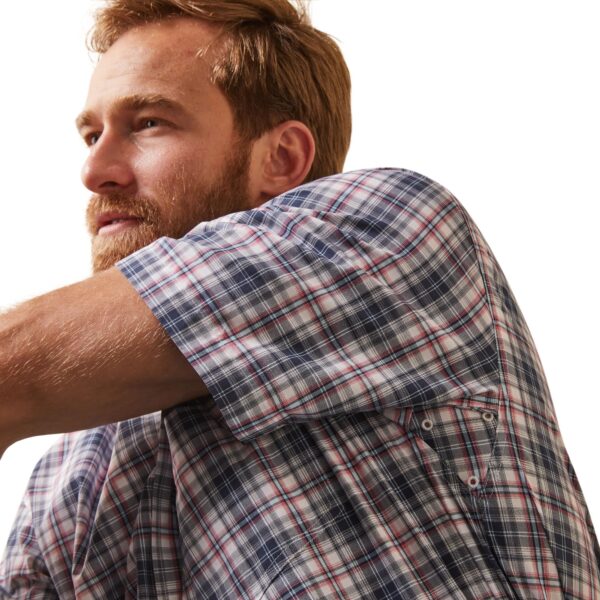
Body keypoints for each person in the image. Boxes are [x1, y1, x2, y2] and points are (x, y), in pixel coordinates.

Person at [0, 0, 598, 597]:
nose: (95, 168)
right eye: (91, 133)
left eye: (149, 122)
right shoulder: (66, 476)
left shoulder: (382, 230)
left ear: (282, 158)